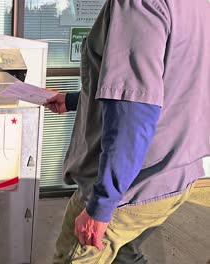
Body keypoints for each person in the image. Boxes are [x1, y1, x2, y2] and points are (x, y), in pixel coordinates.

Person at [44, 0, 210, 263]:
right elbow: (174, 81)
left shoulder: (139, 5)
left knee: (75, 257)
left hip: (134, 185)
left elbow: (134, 108)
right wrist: (75, 100)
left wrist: (101, 205)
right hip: (179, 174)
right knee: (124, 256)